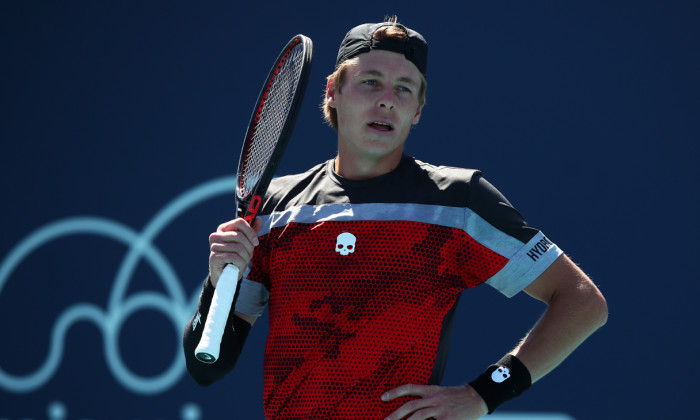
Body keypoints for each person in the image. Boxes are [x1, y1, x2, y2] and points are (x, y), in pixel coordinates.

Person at [183, 17, 608, 420]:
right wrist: (216, 282)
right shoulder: (277, 208)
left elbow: (582, 300)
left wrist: (485, 393)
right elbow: (209, 367)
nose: (387, 99)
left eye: (405, 89)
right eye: (370, 82)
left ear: (418, 110)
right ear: (333, 91)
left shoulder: (458, 201)